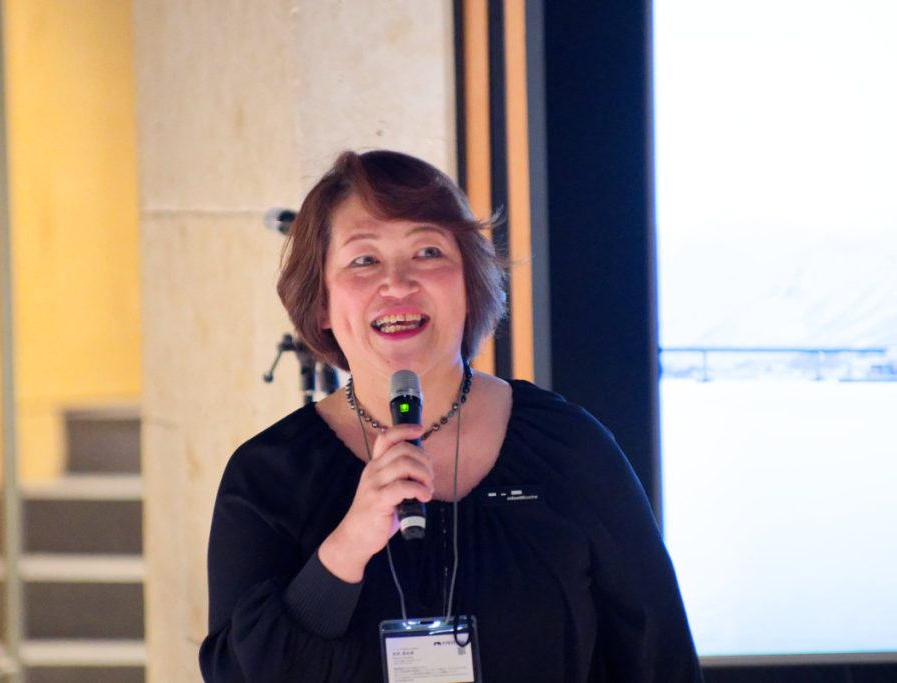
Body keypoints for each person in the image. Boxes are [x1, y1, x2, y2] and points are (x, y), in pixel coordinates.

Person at [199, 149, 703, 682]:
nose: (398, 283)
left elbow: (660, 658)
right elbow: (235, 675)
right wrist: (348, 546)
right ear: (321, 301)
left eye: (428, 251)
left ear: (470, 283)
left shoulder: (569, 446)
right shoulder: (268, 475)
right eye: (364, 260)